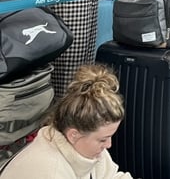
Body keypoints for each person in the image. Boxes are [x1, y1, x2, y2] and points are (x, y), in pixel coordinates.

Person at [0, 65, 132, 179]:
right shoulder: (50, 171)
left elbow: (111, 176)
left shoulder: (85, 144)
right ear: (73, 135)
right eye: (103, 139)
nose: (109, 145)